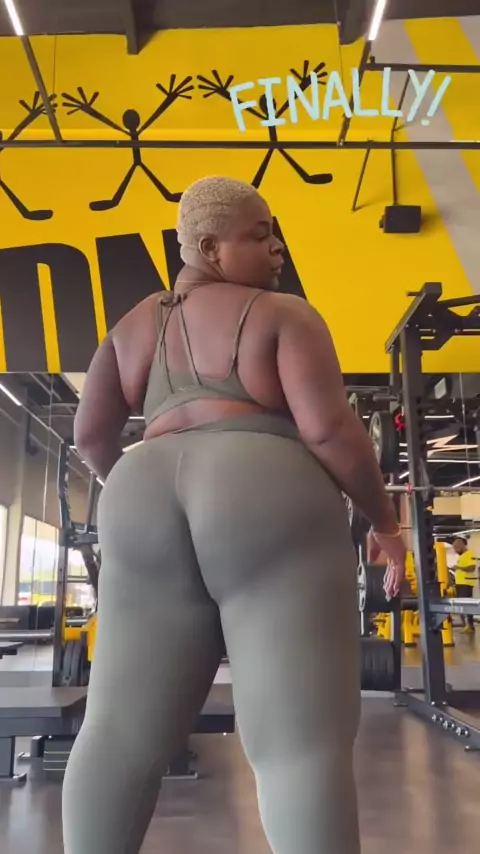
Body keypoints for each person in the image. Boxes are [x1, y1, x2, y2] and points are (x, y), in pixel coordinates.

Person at [63, 176, 406, 854]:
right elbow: (328, 430)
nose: (277, 248)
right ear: (209, 248)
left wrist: (133, 492)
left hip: (140, 484)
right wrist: (385, 522)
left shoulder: (132, 326)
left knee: (118, 733)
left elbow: (90, 436)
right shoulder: (283, 314)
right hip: (263, 480)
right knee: (299, 745)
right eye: (260, 234)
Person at [452, 537, 477, 633]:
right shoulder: (462, 556)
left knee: (467, 605)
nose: (455, 550)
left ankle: (470, 626)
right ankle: (466, 625)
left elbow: (472, 568)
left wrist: (458, 567)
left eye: (456, 548)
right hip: (460, 584)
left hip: (466, 584)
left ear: (462, 545)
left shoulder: (469, 554)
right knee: (461, 605)